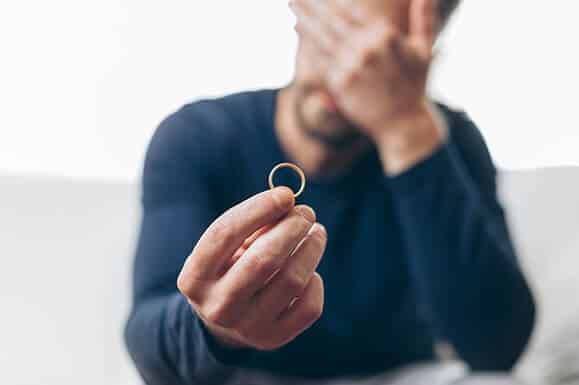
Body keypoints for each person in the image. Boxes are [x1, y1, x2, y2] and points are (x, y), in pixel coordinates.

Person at [124, 0, 536, 384]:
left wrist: (406, 126)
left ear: (421, 59)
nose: (350, 71)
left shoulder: (448, 143)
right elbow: (150, 341)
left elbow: (496, 351)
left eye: (378, 54)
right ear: (303, 14)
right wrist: (213, 325)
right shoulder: (198, 137)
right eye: (341, 34)